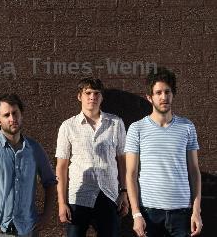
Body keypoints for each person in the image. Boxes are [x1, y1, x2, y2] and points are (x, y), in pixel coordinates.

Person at [0, 93, 57, 237]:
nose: (12, 119)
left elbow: (50, 182)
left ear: (21, 115)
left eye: (15, 113)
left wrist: (46, 216)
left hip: (28, 229)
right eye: (6, 115)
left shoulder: (34, 148)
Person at [125, 67, 202, 237]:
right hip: (149, 214)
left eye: (167, 92)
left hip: (182, 213)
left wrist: (196, 211)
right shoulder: (137, 129)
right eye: (158, 92)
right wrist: (136, 213)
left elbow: (194, 172)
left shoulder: (187, 127)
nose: (163, 97)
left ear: (173, 94)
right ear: (149, 97)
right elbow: (131, 174)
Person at [55, 77, 128, 237]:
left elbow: (122, 161)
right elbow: (61, 167)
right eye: (88, 93)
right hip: (79, 196)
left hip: (109, 194)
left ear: (102, 97)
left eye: (96, 93)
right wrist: (62, 202)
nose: (92, 97)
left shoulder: (115, 123)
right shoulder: (68, 126)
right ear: (79, 96)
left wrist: (124, 191)